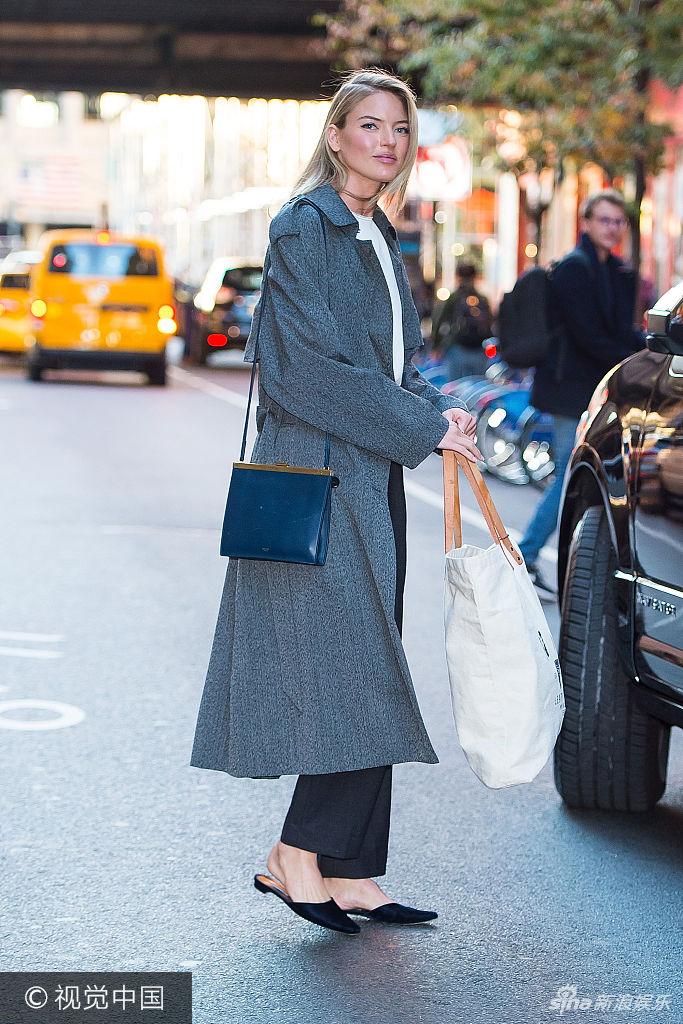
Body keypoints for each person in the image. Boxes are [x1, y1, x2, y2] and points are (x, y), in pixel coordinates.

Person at [190, 69, 483, 935]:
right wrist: (416, 429)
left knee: (369, 658)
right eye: (368, 125)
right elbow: (306, 369)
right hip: (320, 472)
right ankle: (295, 854)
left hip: (368, 471)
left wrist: (439, 413)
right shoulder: (305, 226)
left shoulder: (374, 230)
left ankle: (353, 870)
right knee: (352, 665)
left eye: (399, 128)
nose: (386, 142)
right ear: (335, 137)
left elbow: (391, 364)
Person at [519, 188, 645, 598]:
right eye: (603, 220)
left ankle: (544, 556)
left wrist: (647, 345)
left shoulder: (616, 271)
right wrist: (635, 354)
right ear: (586, 223)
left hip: (593, 389)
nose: (611, 228)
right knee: (568, 478)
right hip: (568, 391)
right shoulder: (575, 269)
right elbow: (589, 336)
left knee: (574, 476)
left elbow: (616, 331)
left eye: (617, 221)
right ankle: (524, 554)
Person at [431, 261, 492, 381]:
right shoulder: (482, 298)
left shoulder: (453, 298)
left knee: (455, 388)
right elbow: (490, 321)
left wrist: (436, 345)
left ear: (458, 276)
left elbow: (438, 320)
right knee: (476, 388)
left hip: (457, 347)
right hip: (479, 348)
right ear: (475, 277)